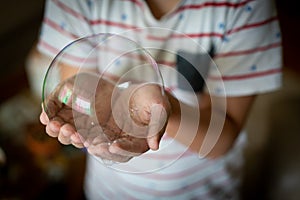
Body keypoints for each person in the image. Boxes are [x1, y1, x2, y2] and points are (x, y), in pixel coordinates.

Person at [36, 0, 282, 199]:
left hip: (202, 191)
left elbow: (223, 137)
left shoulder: (244, 6)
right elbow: (80, 97)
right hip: (109, 190)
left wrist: (169, 110)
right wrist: (88, 108)